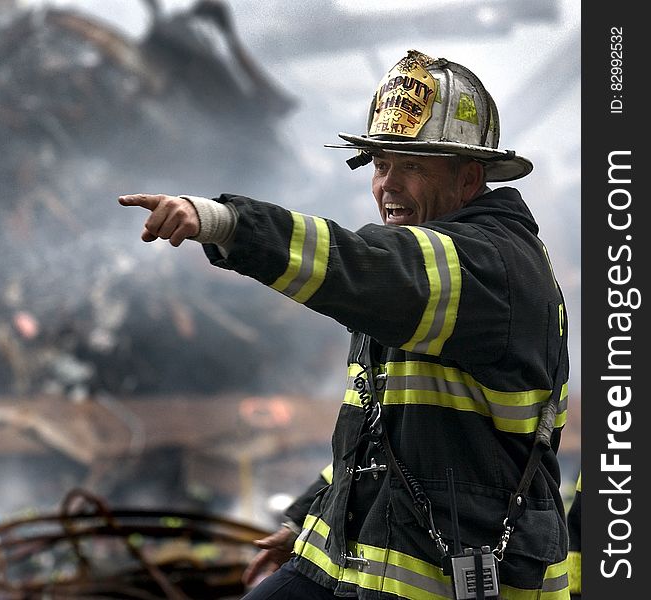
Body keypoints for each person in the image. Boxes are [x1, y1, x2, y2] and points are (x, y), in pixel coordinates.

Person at [118, 49, 570, 599]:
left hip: (445, 580)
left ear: (468, 177)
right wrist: (309, 516)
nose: (388, 186)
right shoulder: (432, 266)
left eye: (412, 166)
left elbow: (363, 264)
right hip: (356, 561)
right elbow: (385, 430)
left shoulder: (489, 266)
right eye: (380, 165)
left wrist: (227, 222)